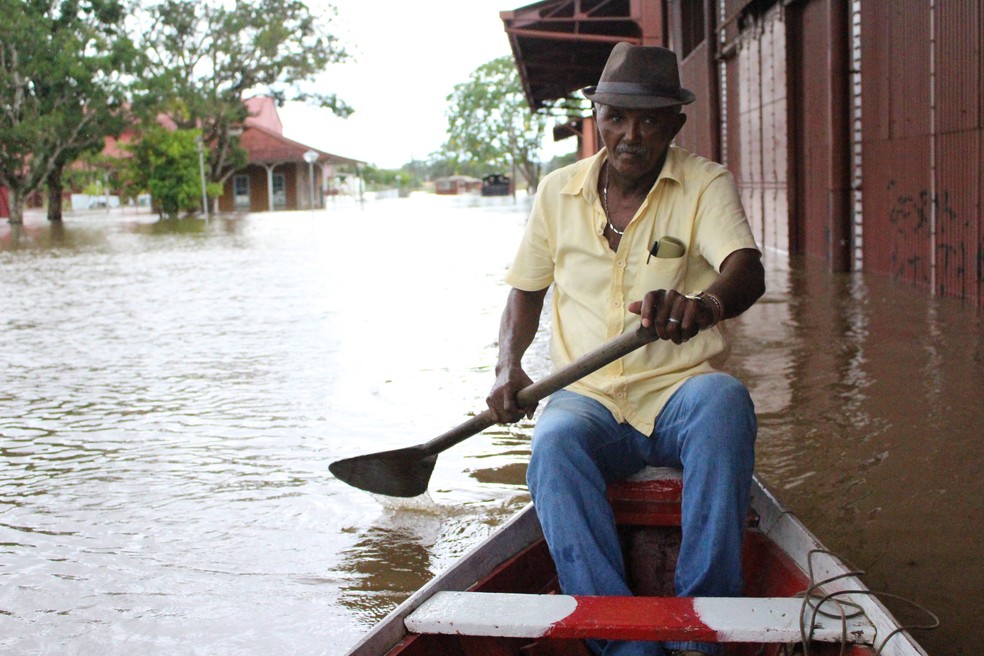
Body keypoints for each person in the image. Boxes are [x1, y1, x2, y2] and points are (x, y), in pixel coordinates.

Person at [485, 43, 766, 656]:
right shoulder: (557, 193)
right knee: (553, 446)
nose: (630, 135)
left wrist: (706, 306)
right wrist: (509, 367)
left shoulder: (704, 184)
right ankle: (621, 641)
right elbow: (525, 292)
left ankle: (701, 628)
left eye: (649, 120)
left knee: (726, 402)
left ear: (675, 124)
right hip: (585, 400)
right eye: (616, 117)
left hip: (677, 395)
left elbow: (746, 270)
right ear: (598, 118)